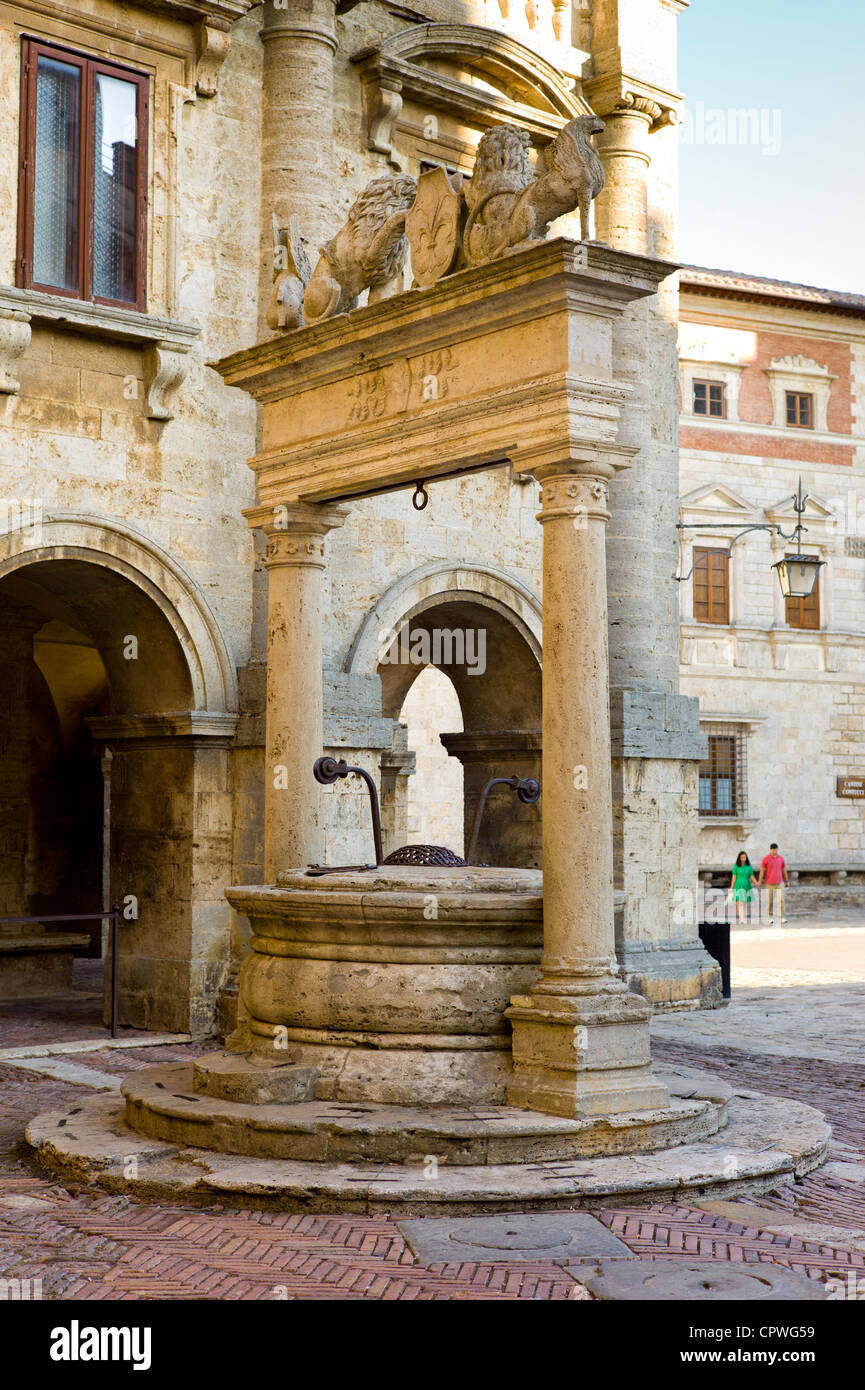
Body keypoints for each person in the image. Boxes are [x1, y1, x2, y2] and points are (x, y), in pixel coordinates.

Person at [758, 842, 789, 923]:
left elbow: (784, 870)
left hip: (779, 883)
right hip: (769, 883)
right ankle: (770, 917)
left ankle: (782, 917)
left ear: (777, 849)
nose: (774, 851)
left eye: (776, 850)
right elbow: (762, 871)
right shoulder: (765, 859)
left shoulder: (781, 859)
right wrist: (760, 881)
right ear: (770, 850)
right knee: (769, 901)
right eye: (773, 850)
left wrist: (786, 881)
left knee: (781, 900)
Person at [729, 851, 757, 924]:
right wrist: (731, 887)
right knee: (740, 902)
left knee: (744, 902)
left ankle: (743, 917)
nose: (743, 858)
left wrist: (756, 883)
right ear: (739, 858)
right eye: (742, 857)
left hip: (746, 885)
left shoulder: (749, 866)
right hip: (738, 885)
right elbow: (734, 877)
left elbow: (751, 876)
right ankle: (741, 919)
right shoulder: (736, 866)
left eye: (744, 857)